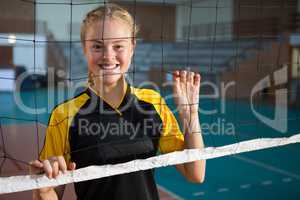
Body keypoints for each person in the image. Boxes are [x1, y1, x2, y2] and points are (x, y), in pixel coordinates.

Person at [31, 3, 206, 200]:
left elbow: (195, 173)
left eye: (118, 46)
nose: (108, 56)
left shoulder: (153, 103)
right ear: (84, 49)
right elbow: (51, 195)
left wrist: (190, 115)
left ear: (132, 47)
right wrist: (43, 189)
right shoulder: (64, 115)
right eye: (97, 46)